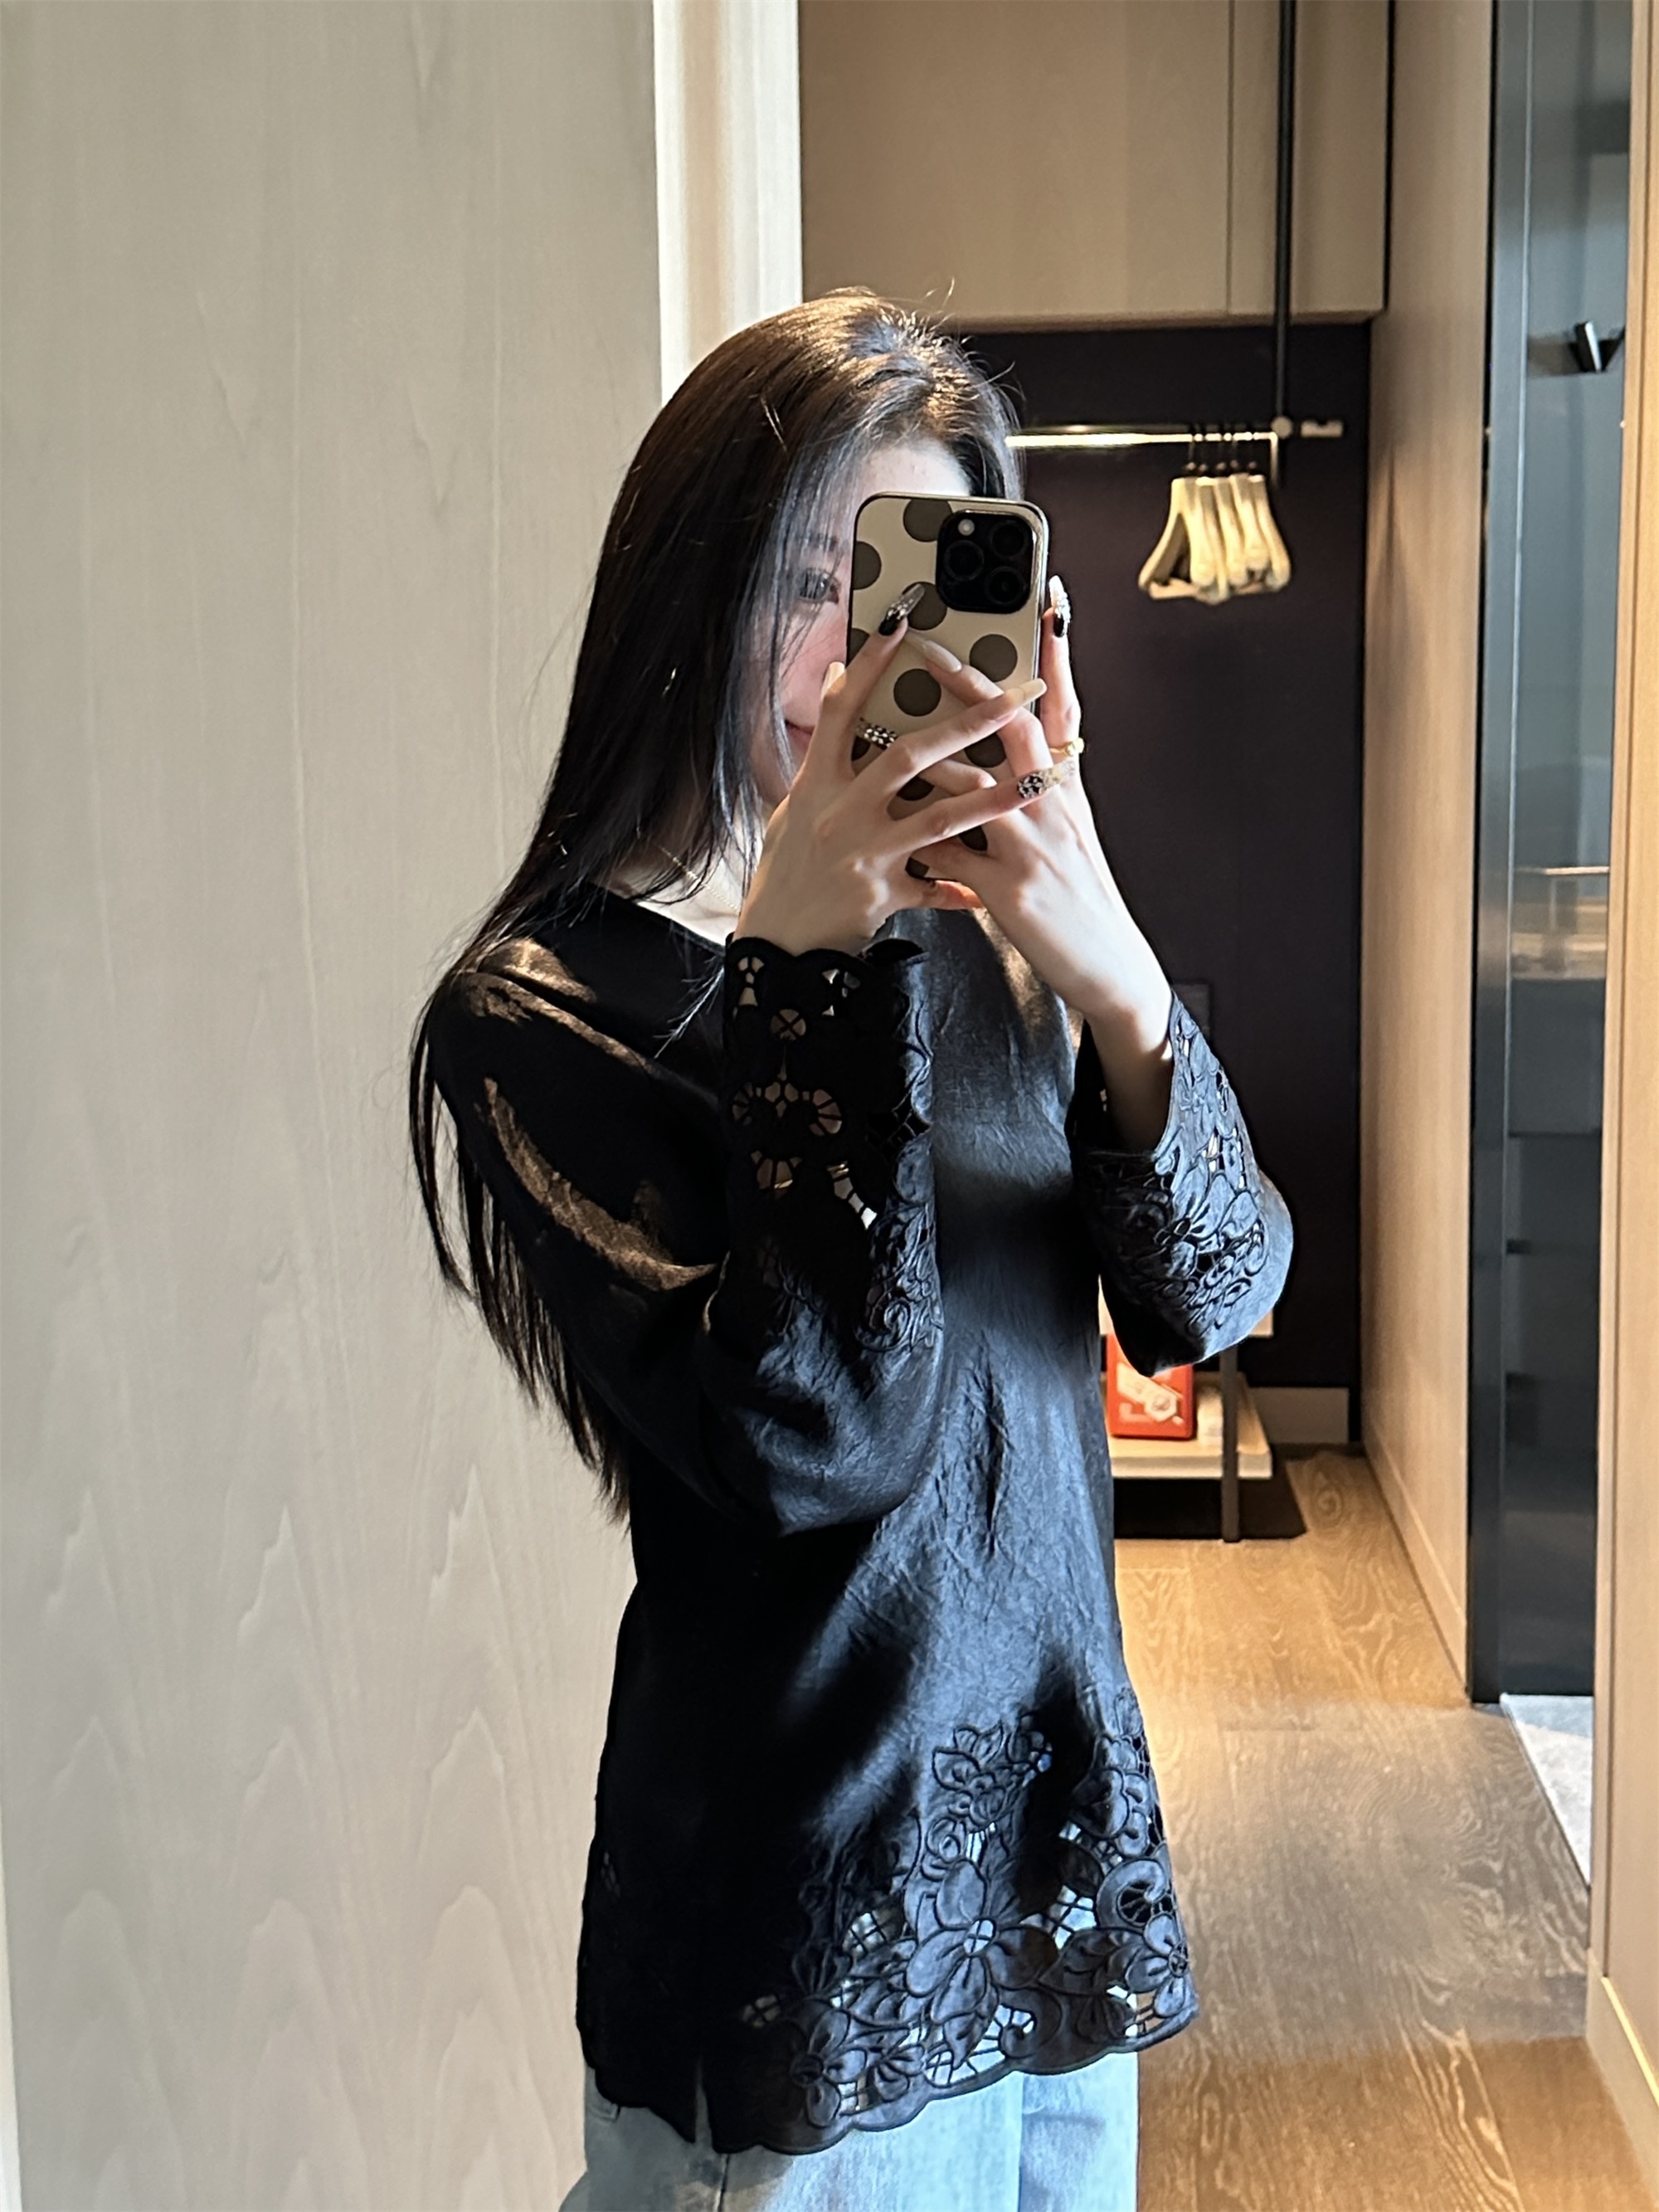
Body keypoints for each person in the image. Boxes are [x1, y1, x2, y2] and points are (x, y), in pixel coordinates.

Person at [410, 290, 1292, 2212]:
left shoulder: (987, 940)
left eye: (906, 591)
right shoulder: (546, 1011)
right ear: (685, 595)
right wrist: (806, 970)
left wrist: (1115, 975)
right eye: (807, 587)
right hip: (799, 1960)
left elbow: (1216, 1296)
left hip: (1043, 1889)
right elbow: (817, 1437)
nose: (855, 659)